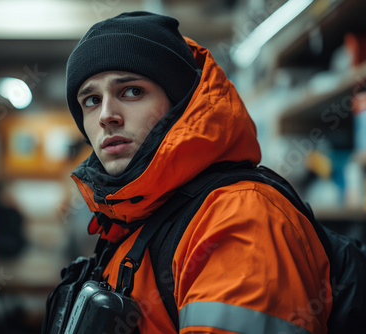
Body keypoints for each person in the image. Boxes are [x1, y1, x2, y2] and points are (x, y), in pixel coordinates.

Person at [63, 11, 331, 334]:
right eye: (91, 100)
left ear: (177, 103)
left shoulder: (239, 218)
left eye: (131, 91)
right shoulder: (131, 219)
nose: (106, 116)